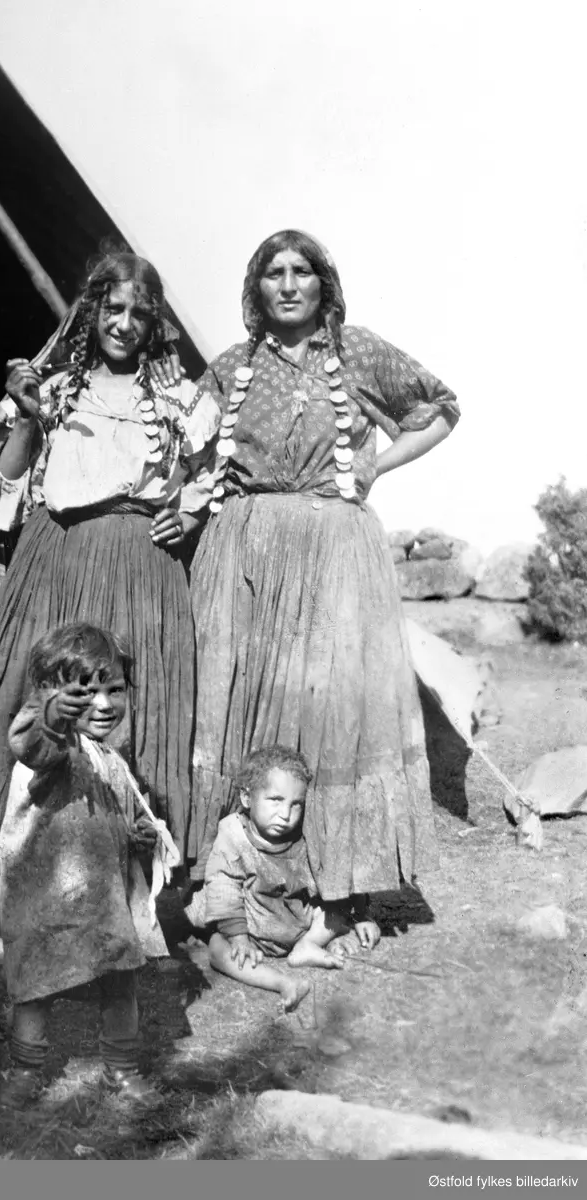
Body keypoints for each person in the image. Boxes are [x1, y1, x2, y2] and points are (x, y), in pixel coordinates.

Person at [190, 229, 460, 928]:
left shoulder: (356, 351)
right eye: (272, 273)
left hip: (337, 553)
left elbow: (439, 408)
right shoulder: (228, 368)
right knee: (248, 706)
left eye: (301, 271)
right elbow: (180, 447)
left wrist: (379, 464)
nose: (287, 285)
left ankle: (343, 892)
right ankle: (247, 889)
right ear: (255, 289)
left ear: (322, 284)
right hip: (245, 555)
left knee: (337, 712)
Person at [0, 250, 219, 871]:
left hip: (141, 565)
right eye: (112, 309)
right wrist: (28, 418)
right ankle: (35, 844)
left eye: (140, 313)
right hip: (56, 558)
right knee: (50, 696)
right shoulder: (49, 389)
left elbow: (210, 480)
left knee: (127, 701)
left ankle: (126, 850)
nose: (124, 324)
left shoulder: (181, 403)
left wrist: (188, 515)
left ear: (155, 322)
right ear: (90, 313)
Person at [0, 622, 172, 1104]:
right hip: (46, 899)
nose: (104, 704)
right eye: (85, 693)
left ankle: (122, 1068)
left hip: (103, 899)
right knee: (35, 983)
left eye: (114, 689)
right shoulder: (56, 751)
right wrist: (51, 718)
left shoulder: (109, 758)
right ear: (51, 697)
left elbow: (121, 808)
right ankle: (26, 1070)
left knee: (121, 979)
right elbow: (32, 744)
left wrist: (139, 835)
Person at [187, 747, 378, 1012]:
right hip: (249, 925)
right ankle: (283, 983)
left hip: (298, 920)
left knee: (337, 909)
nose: (286, 814)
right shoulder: (233, 833)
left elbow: (338, 872)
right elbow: (223, 885)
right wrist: (239, 937)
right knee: (219, 951)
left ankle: (308, 946)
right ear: (246, 797)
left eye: (295, 804)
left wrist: (361, 913)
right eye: (275, 800)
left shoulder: (307, 831)